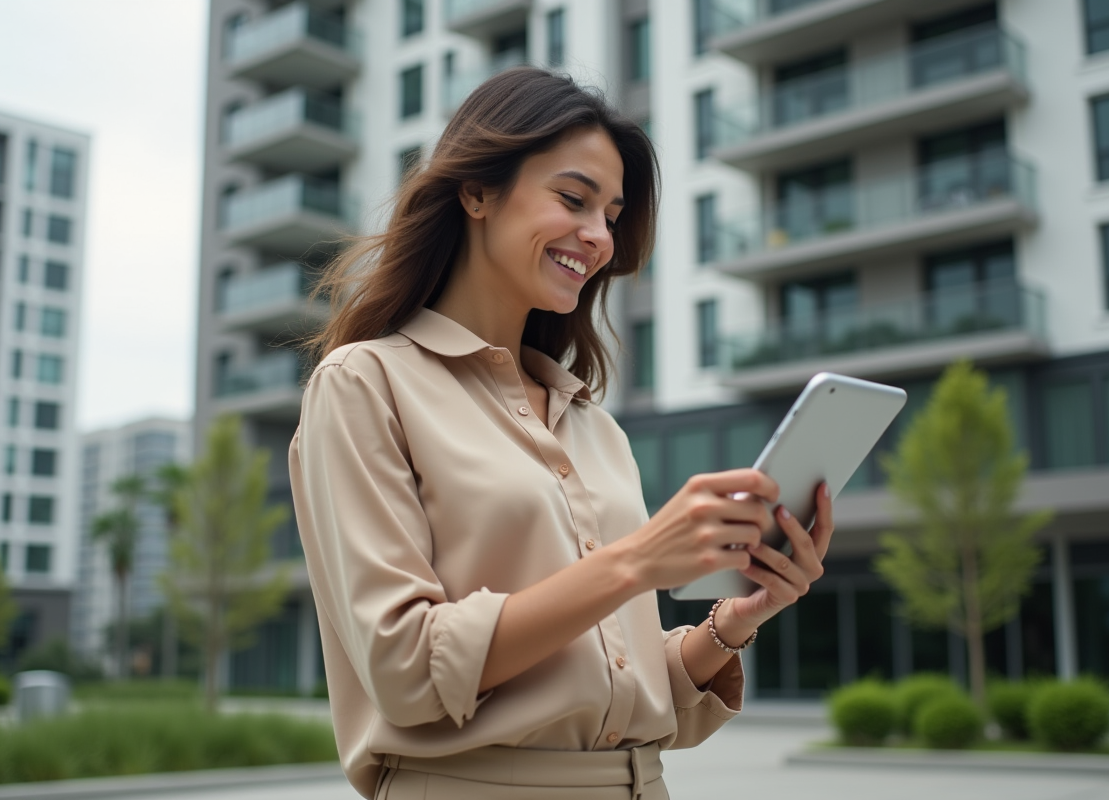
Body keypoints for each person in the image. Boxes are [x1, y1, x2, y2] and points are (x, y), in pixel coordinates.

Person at [289, 67, 833, 800]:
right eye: (573, 200)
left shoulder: (594, 428)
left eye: (610, 215)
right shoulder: (364, 384)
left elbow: (620, 691)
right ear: (476, 192)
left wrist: (733, 622)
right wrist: (637, 561)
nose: (598, 236)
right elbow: (407, 670)